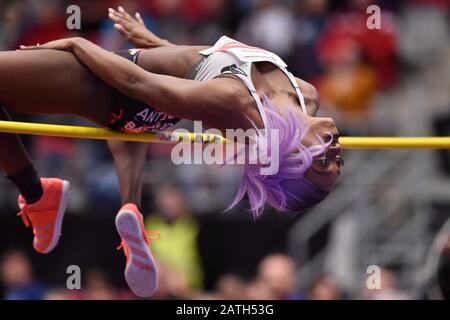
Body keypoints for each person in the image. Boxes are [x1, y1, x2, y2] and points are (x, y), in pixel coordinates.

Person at [0, 6, 343, 297]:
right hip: (147, 98)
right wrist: (157, 44)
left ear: (292, 155)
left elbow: (137, 84)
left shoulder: (236, 102)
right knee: (126, 132)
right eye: (336, 160)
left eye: (323, 160)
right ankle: (125, 204)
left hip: (116, 82)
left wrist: (77, 44)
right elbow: (202, 65)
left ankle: (38, 194)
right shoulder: (307, 94)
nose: (336, 147)